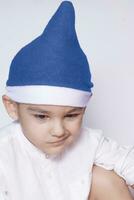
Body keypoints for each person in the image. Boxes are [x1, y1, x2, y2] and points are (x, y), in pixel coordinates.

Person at [0, 1, 134, 200]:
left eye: (71, 115)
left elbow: (127, 161)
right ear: (12, 107)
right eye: (41, 116)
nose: (59, 130)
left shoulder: (89, 141)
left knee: (105, 178)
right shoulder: (4, 152)